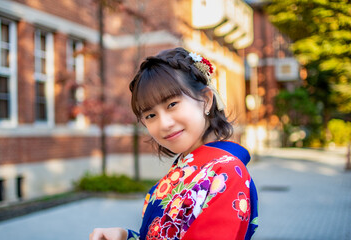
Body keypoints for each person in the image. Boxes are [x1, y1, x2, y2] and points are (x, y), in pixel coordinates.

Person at [89, 47, 258, 240]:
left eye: (172, 104)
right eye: (150, 115)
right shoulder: (186, 166)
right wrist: (125, 236)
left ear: (205, 100)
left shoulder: (227, 172)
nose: (164, 124)